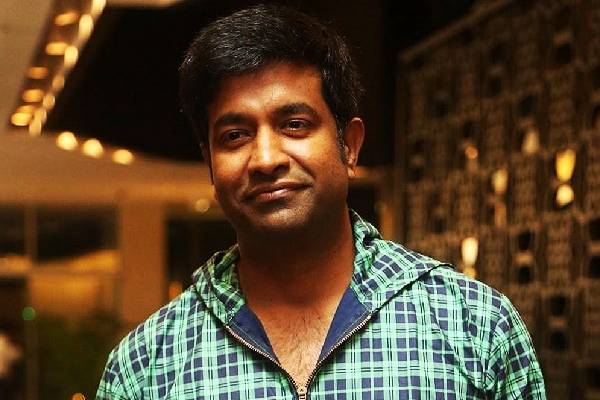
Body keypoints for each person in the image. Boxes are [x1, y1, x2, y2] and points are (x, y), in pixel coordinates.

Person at [97, 4, 546, 399]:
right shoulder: (147, 365)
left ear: (349, 146)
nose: (266, 158)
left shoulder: (473, 325)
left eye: (294, 124)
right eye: (235, 136)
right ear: (211, 165)